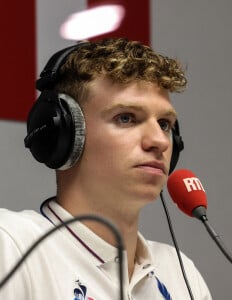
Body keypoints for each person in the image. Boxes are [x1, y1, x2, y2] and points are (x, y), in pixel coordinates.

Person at [0, 38, 212, 299]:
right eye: (126, 118)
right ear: (65, 135)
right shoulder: (10, 245)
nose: (158, 140)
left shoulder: (181, 274)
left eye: (165, 124)